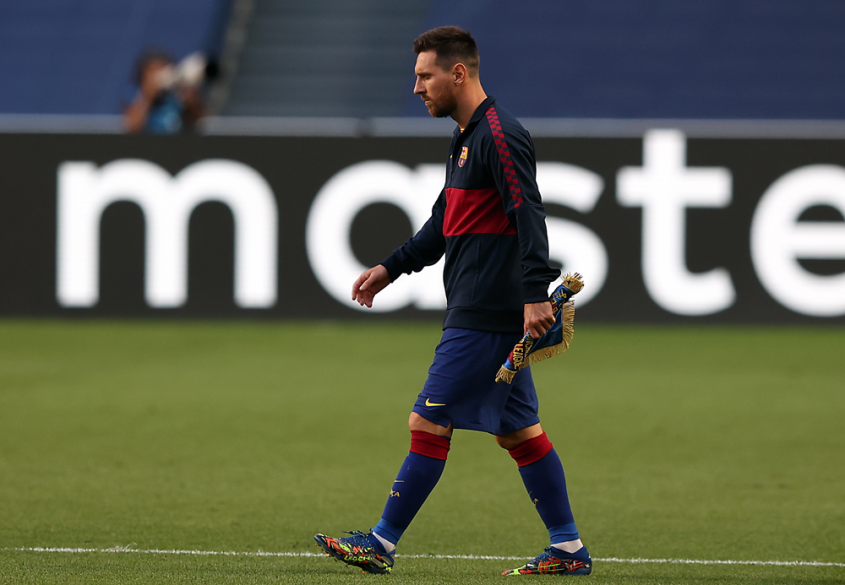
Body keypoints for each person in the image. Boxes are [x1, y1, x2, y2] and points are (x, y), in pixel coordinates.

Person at [314, 26, 592, 577]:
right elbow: (444, 222)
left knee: (427, 422)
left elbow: (528, 212)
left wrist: (535, 292)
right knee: (519, 432)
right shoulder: (467, 137)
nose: (417, 87)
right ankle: (568, 549)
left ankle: (381, 542)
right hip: (482, 308)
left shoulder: (500, 135)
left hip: (485, 313)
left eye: (425, 76)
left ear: (457, 73)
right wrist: (391, 267)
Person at [124, 50, 206, 134]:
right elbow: (132, 127)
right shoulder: (135, 97)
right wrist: (148, 97)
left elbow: (200, 122)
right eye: (153, 73)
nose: (159, 78)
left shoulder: (177, 96)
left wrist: (189, 97)